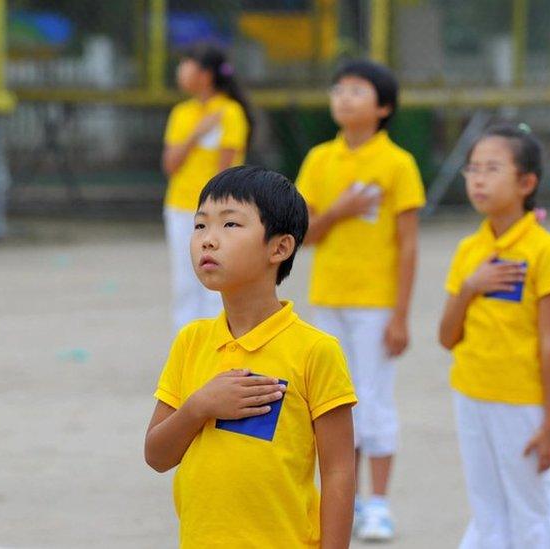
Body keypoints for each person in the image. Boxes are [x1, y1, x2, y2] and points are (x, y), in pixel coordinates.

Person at [145, 166, 357, 548]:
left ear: (279, 247)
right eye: (199, 226)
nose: (208, 240)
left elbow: (339, 470)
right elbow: (157, 455)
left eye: (230, 225)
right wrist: (199, 406)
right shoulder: (191, 341)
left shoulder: (315, 350)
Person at [295, 60, 424, 541]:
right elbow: (305, 234)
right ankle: (342, 501)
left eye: (357, 91)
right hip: (328, 298)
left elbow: (409, 243)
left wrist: (401, 314)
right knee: (334, 403)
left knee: (374, 400)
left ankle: (380, 503)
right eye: (339, 90)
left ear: (384, 106)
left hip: (375, 303)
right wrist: (341, 210)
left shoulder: (397, 164)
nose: (344, 97)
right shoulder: (319, 160)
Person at [439, 124, 550, 548]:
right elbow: (446, 336)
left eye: (492, 169)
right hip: (470, 394)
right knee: (487, 508)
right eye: (472, 169)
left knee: (531, 510)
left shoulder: (544, 250)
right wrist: (471, 286)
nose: (478, 179)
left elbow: (549, 343)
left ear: (526, 182)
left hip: (521, 401)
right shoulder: (468, 252)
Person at [161, 44, 252, 332]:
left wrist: (215, 216)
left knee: (215, 281)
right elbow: (171, 164)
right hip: (180, 207)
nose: (181, 71)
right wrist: (196, 134)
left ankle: (219, 347)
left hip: (216, 212)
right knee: (184, 282)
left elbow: (226, 170)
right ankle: (186, 349)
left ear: (206, 74)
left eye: (187, 64)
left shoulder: (230, 112)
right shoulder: (183, 113)